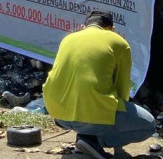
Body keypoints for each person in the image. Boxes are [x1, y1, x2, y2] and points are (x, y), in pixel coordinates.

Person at [42, 10, 156, 159]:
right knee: (148, 125)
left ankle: (86, 137)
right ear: (112, 29)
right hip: (92, 115)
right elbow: (122, 88)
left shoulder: (68, 39)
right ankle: (93, 141)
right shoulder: (118, 41)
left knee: (91, 106)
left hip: (58, 114)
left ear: (84, 27)